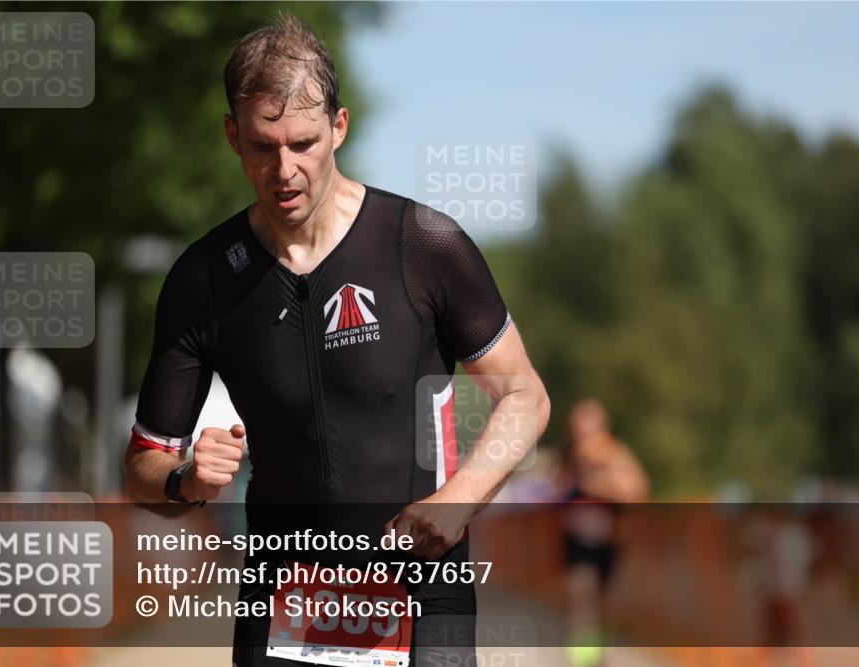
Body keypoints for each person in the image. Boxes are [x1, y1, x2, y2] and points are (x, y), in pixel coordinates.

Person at [121, 12, 550, 667]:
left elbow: (524, 394)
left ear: (339, 128)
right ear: (233, 138)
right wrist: (184, 479)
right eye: (264, 146)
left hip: (418, 594)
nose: (284, 169)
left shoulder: (423, 244)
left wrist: (457, 502)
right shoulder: (202, 280)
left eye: (303, 142)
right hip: (284, 600)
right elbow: (141, 469)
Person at [560, 399, 648, 667]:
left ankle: (597, 653)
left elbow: (636, 492)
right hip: (577, 539)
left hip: (608, 539)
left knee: (602, 600)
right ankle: (583, 657)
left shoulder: (615, 454)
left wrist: (597, 485)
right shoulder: (571, 456)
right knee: (581, 593)